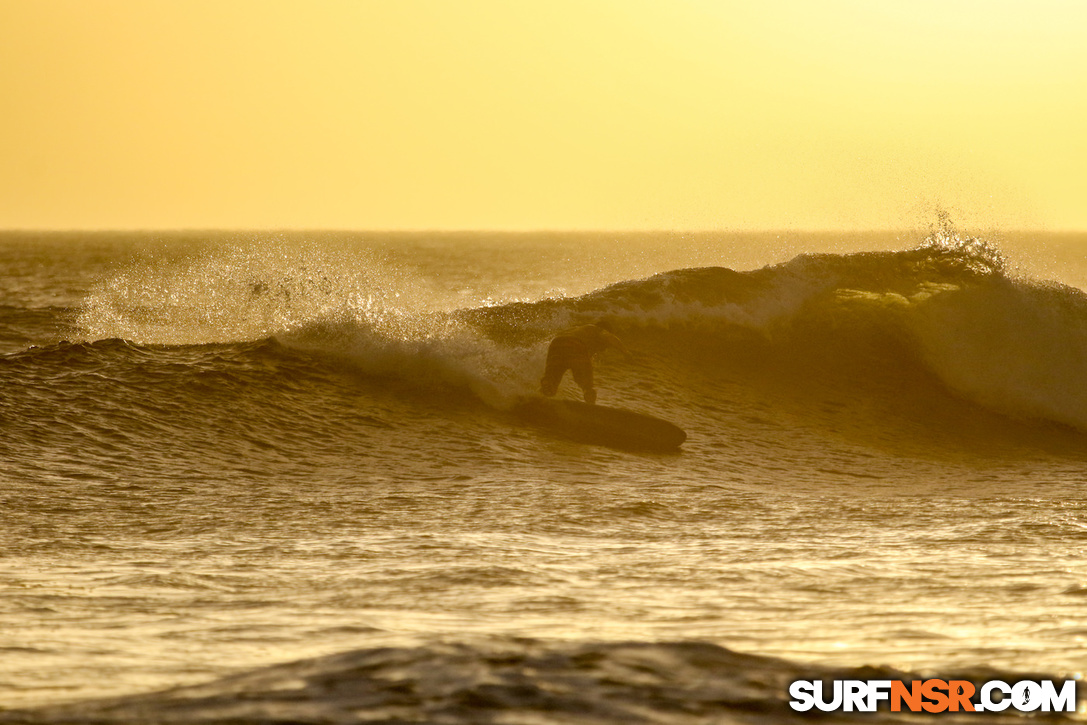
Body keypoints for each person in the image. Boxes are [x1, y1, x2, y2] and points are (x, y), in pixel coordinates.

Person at [539, 320, 632, 405]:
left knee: (551, 382)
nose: (606, 347)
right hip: (575, 344)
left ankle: (539, 399)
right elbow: (608, 336)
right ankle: (591, 408)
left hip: (556, 345)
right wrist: (625, 352)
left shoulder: (579, 330)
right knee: (587, 386)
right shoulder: (596, 329)